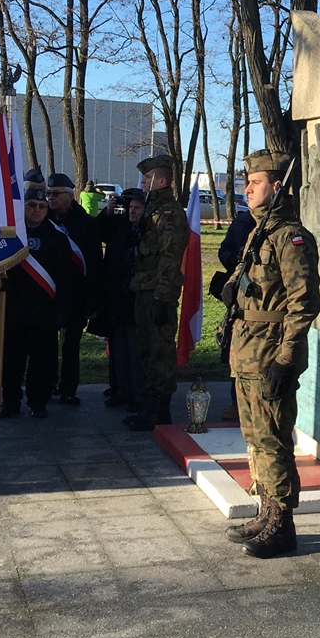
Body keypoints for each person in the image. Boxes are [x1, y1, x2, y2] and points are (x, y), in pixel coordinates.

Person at [222, 149, 320, 559]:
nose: (247, 189)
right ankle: (267, 512)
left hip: (269, 354)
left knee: (274, 439)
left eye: (255, 182)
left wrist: (285, 357)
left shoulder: (291, 237)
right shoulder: (257, 232)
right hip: (248, 351)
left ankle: (283, 525)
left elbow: (304, 303)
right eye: (247, 182)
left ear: (277, 187)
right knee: (256, 439)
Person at [0, 188, 74, 418]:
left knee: (42, 363)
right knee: (11, 362)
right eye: (32, 205)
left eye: (42, 206)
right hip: (14, 310)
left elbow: (65, 278)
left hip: (45, 312)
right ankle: (10, 402)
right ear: (23, 207)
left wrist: (62, 311)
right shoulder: (10, 235)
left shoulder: (58, 238)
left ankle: (38, 402)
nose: (37, 210)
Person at [125, 155, 187, 432]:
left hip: (157, 293)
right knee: (146, 350)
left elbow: (169, 258)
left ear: (161, 181)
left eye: (148, 178)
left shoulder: (169, 213)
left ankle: (160, 410)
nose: (144, 182)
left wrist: (163, 297)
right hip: (144, 288)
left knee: (160, 352)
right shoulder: (153, 210)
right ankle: (149, 405)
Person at [46, 172, 103, 405]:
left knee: (71, 346)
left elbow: (94, 263)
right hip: (48, 292)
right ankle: (47, 384)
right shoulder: (42, 219)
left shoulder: (86, 223)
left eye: (56, 194)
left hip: (75, 295)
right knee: (47, 345)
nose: (51, 198)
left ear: (70, 196)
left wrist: (91, 301)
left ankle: (69, 387)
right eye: (48, 193)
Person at [100, 188, 146, 411]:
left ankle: (138, 393)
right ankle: (123, 389)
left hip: (137, 300)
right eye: (130, 207)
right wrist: (108, 211)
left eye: (137, 207)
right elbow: (100, 232)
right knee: (120, 348)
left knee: (135, 349)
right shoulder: (121, 232)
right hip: (118, 298)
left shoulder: (147, 233)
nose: (132, 211)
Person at [215, 207, 256, 421]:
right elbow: (224, 250)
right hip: (237, 292)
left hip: (262, 300)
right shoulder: (242, 221)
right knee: (234, 347)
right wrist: (235, 257)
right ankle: (236, 401)